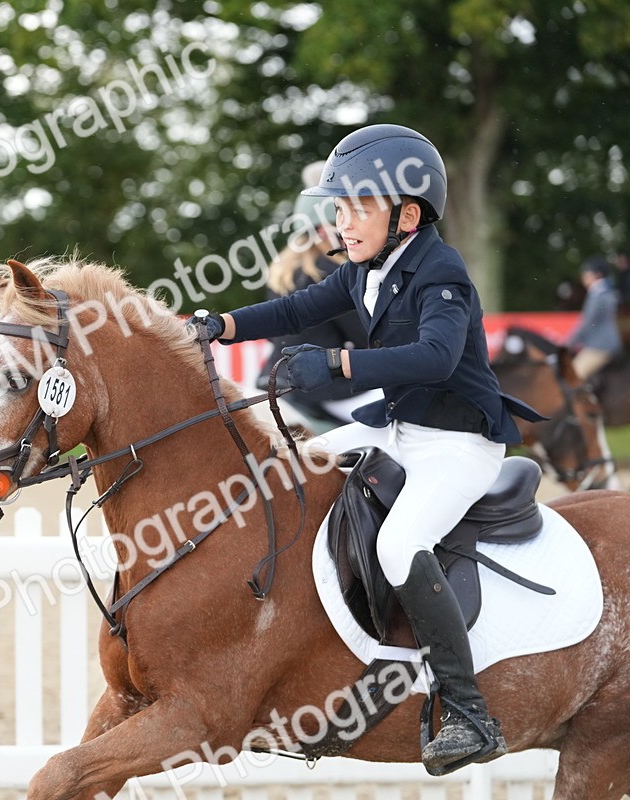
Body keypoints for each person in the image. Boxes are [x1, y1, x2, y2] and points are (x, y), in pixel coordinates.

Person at [194, 124, 544, 774]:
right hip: (398, 429)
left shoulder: (442, 272)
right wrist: (222, 325)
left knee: (398, 544)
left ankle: (469, 714)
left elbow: (437, 358)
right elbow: (296, 308)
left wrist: (340, 364)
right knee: (291, 470)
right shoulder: (364, 269)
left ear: (406, 215)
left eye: (357, 206)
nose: (341, 220)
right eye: (339, 205)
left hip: (459, 445)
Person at [257, 162, 373, 432]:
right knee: (409, 412)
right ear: (328, 228)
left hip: (275, 378)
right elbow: (365, 337)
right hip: (325, 389)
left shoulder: (281, 272)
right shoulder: (332, 272)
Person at [565, 255, 622, 381]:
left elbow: (588, 323)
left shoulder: (599, 295)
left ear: (597, 274)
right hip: (600, 343)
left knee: (572, 375)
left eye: (586, 273)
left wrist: (569, 342)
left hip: (601, 346)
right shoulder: (602, 292)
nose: (583, 277)